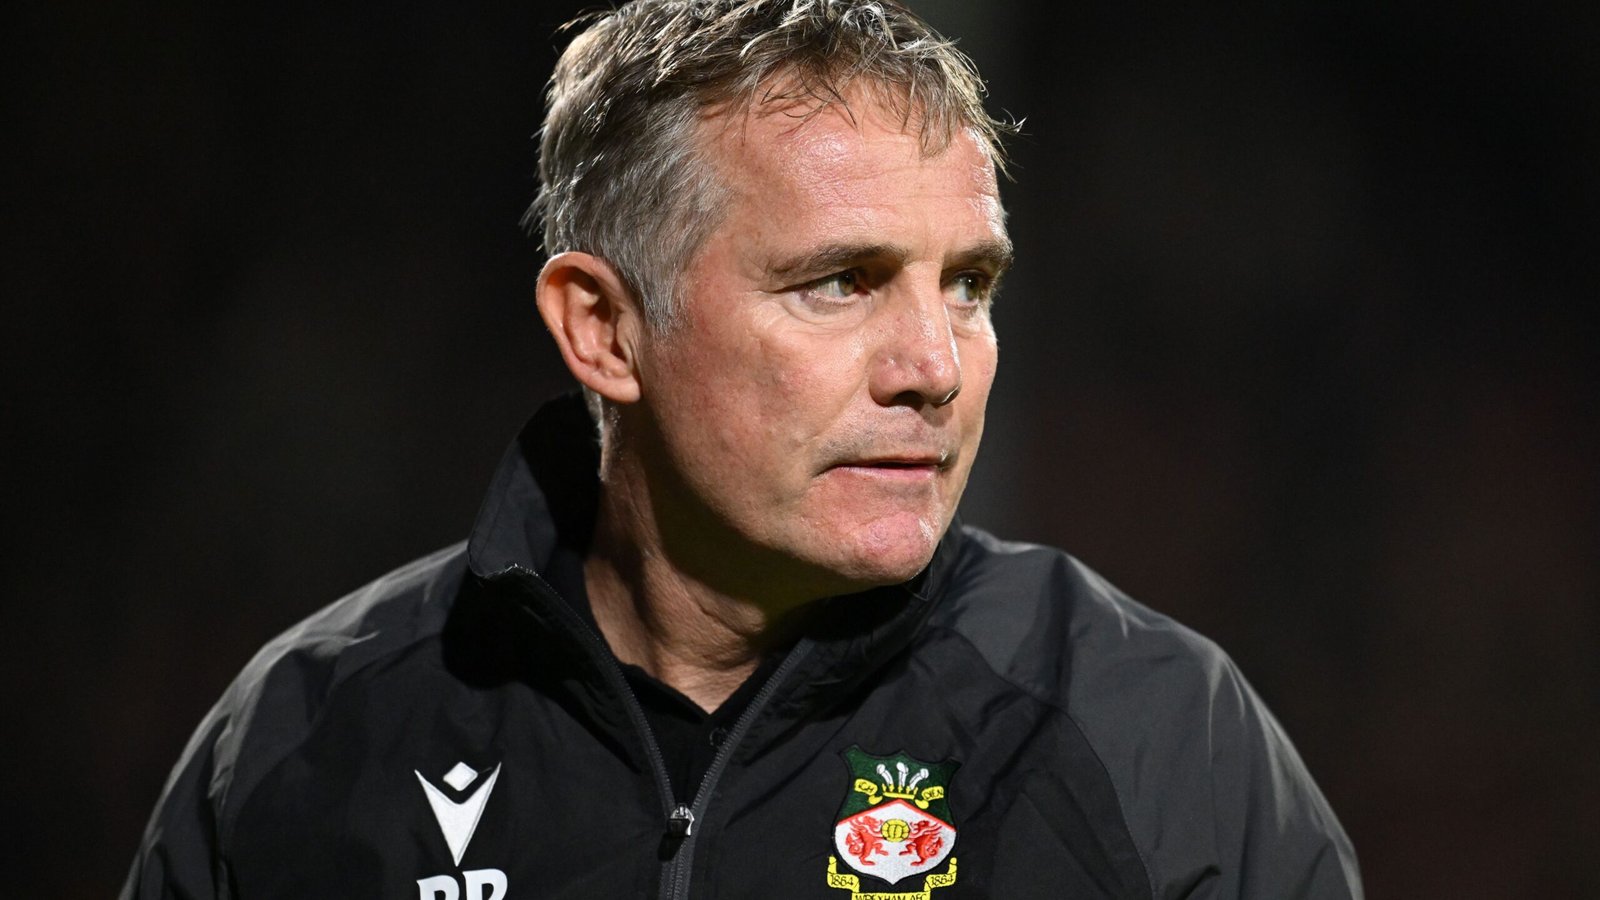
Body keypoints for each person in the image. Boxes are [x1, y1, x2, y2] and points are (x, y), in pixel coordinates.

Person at [123, 1, 1362, 898]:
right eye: (840, 282)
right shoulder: (311, 736)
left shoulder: (1151, 735)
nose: (932, 365)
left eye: (969, 285)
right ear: (603, 329)